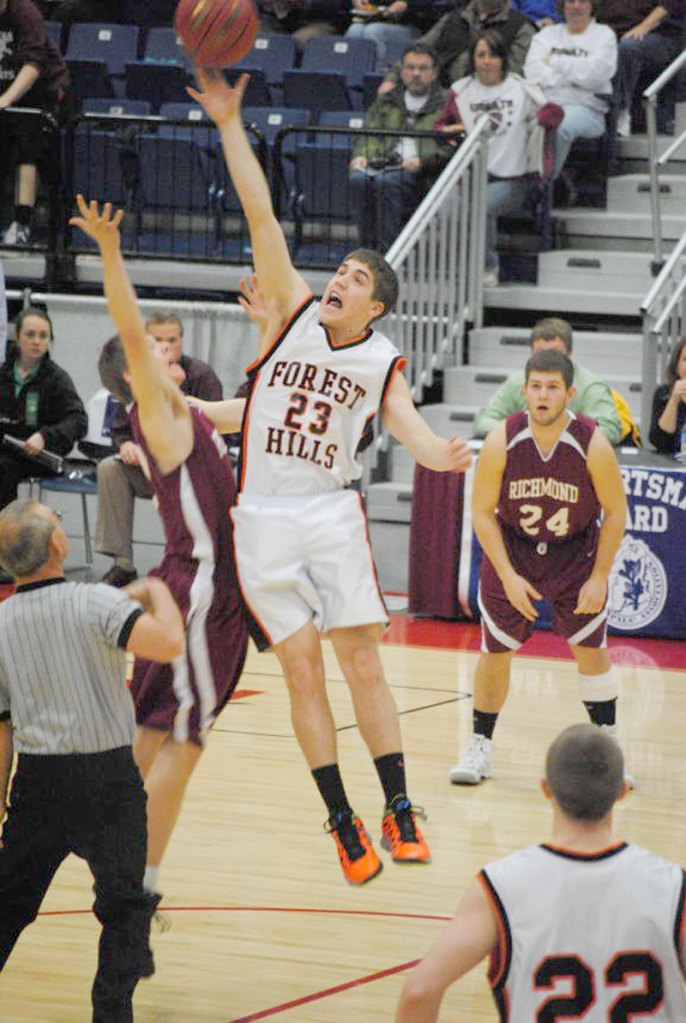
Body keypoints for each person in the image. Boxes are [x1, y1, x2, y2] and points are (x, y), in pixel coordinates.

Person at [185, 67, 473, 885]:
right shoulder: (290, 314)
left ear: (376, 304)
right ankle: (342, 821)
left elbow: (412, 434)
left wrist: (440, 455)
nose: (339, 281)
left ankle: (399, 804)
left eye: (354, 279)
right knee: (304, 670)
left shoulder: (382, 357)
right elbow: (260, 212)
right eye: (338, 273)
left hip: (332, 511)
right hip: (265, 519)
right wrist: (232, 122)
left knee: (363, 665)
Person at [70, 195, 250, 904]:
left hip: (191, 583)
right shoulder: (158, 409)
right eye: (153, 347)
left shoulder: (191, 410)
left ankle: (104, 840)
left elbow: (259, 407)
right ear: (139, 369)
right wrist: (112, 254)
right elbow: (126, 325)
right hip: (203, 589)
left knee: (151, 732)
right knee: (187, 737)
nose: (167, 351)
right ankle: (136, 889)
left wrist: (270, 330)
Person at [0, 498, 185, 1022]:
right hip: (108, 781)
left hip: (38, 785)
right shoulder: (96, 601)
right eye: (56, 519)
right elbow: (169, 642)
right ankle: (111, 1013)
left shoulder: (0, 622)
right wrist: (158, 592)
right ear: (58, 544)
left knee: (8, 904)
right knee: (126, 907)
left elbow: (2, 727)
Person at [398, 723, 686, 1023]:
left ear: (546, 789)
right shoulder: (672, 884)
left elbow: (419, 991)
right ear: (622, 791)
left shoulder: (500, 885)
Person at [449, 349, 628, 786]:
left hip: (573, 553)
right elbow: (483, 511)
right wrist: (508, 576)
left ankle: (610, 746)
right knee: (496, 650)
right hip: (517, 551)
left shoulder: (591, 442)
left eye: (552, 387)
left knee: (591, 650)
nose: (542, 395)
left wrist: (600, 576)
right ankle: (480, 746)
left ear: (569, 394)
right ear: (523, 389)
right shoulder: (502, 439)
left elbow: (616, 512)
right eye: (535, 386)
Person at [95, 310, 223, 588]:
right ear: (133, 373)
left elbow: (227, 414)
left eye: (171, 340)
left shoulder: (198, 382)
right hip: (202, 542)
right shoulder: (150, 414)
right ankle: (123, 564)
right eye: (153, 344)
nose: (166, 347)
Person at [434, 30, 563, 288]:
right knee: (444, 208)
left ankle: (488, 266)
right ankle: (453, 270)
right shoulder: (461, 91)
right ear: (472, 59)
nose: (487, 61)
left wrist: (544, 119)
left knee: (482, 206)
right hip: (470, 177)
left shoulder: (521, 88)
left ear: (503, 58)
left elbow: (554, 115)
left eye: (493, 55)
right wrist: (452, 131)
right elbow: (439, 129)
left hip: (514, 179)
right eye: (480, 55)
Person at [349, 43, 449, 253]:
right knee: (358, 179)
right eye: (411, 68)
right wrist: (362, 156)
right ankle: (365, 252)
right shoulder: (387, 101)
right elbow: (370, 134)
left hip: (426, 173)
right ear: (401, 71)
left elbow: (451, 145)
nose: (416, 74)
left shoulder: (447, 102)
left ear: (434, 72)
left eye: (423, 69)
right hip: (386, 165)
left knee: (387, 182)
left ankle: (390, 254)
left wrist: (424, 161)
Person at [472, 316, 622, 444]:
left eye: (555, 353)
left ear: (569, 353)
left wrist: (556, 437)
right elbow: (483, 422)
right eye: (540, 353)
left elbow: (609, 431)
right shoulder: (516, 382)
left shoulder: (591, 386)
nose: (548, 359)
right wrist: (522, 433)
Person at [0, 305, 87, 518]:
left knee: (3, 467)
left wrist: (44, 436)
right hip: (6, 447)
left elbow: (78, 420)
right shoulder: (3, 373)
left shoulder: (57, 379)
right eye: (30, 335)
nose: (37, 341)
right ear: (18, 337)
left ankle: (5, 537)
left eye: (43, 336)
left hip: (39, 455)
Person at [0, 0, 72, 245]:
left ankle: (22, 223)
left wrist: (5, 100)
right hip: (7, 91)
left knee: (27, 152)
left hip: (42, 91)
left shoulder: (25, 13)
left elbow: (34, 65)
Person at [523, 0, 617, 182]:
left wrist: (554, 62)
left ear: (592, 6)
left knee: (558, 126)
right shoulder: (546, 35)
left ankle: (543, 185)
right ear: (562, 6)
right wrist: (574, 77)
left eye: (582, 1)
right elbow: (533, 73)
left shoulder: (604, 35)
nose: (576, 6)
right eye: (570, 1)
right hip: (545, 104)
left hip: (587, 110)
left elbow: (595, 74)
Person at [379, 0, 537, 94]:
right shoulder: (453, 17)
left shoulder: (521, 28)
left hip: (487, 101)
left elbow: (513, 75)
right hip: (437, 97)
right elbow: (419, 50)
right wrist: (391, 79)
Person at [597, 0, 686, 137]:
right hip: (612, 31)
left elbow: (671, 4)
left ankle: (621, 113)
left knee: (628, 47)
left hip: (658, 34)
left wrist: (646, 25)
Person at [648, 336, 686, 455]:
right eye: (685, 359)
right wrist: (673, 401)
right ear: (677, 364)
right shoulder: (663, 393)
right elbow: (660, 442)